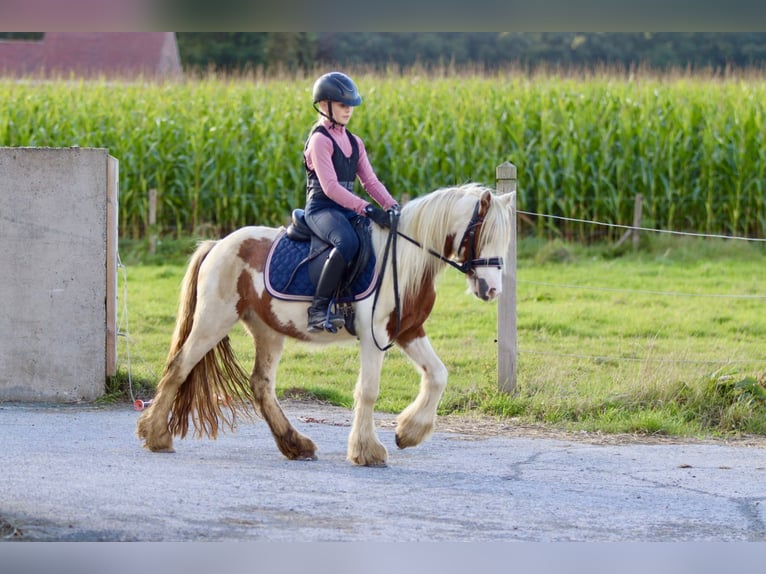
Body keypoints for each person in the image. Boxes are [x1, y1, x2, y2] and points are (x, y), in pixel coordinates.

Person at [302, 71, 400, 333]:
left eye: (351, 106)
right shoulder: (320, 141)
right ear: (325, 105)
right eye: (343, 105)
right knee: (347, 241)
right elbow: (331, 188)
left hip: (344, 209)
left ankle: (353, 306)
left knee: (373, 240)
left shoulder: (355, 142)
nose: (348, 111)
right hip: (322, 208)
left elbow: (370, 182)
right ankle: (318, 309)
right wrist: (367, 208)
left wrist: (391, 206)